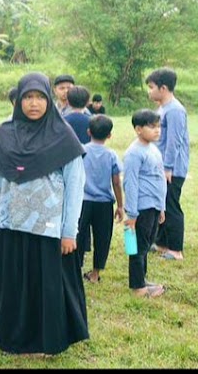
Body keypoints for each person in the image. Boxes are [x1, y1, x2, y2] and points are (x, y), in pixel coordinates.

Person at [0, 72, 88, 356]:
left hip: (46, 228)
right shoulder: (3, 134)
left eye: (40, 97)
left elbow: (75, 188)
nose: (33, 103)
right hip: (7, 225)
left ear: (50, 100)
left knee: (42, 289)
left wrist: (69, 232)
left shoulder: (63, 136)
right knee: (8, 286)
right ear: (19, 100)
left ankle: (41, 343)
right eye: (28, 97)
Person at [146, 67, 190, 261]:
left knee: (171, 206)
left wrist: (168, 167)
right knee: (161, 204)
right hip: (161, 166)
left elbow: (175, 141)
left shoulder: (175, 110)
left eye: (151, 87)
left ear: (163, 88)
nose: (149, 91)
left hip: (172, 169)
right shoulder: (162, 108)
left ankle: (175, 249)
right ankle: (162, 242)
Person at [123, 109, 167, 298]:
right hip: (141, 208)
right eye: (152, 127)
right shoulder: (134, 153)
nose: (157, 130)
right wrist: (132, 214)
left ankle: (142, 279)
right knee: (137, 247)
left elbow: (159, 179)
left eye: (159, 126)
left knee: (146, 245)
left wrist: (162, 207)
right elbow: (130, 184)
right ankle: (137, 288)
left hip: (154, 206)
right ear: (138, 129)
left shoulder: (153, 149)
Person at [76, 114, 123, 284]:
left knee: (79, 235)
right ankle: (95, 273)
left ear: (89, 131)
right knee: (102, 238)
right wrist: (120, 205)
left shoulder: (81, 151)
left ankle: (76, 268)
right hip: (104, 203)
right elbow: (116, 182)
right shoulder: (111, 155)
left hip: (82, 201)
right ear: (109, 135)